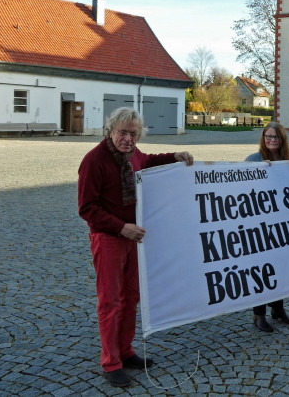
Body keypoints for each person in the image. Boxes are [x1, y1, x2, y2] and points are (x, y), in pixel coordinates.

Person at [78, 107, 194, 388]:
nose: (128, 138)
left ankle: (125, 350)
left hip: (135, 238)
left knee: (131, 297)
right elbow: (87, 207)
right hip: (109, 239)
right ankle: (111, 362)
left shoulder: (134, 154)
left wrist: (174, 156)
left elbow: (148, 161)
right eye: (123, 132)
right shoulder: (95, 160)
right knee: (110, 302)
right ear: (110, 130)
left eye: (133, 133)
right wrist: (120, 226)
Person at [245, 121, 289, 332]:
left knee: (281, 267)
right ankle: (259, 315)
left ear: (282, 139)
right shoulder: (254, 159)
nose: (271, 140)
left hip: (281, 223)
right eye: (268, 136)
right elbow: (239, 188)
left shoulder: (287, 160)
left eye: (275, 137)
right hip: (260, 225)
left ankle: (278, 309)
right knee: (261, 269)